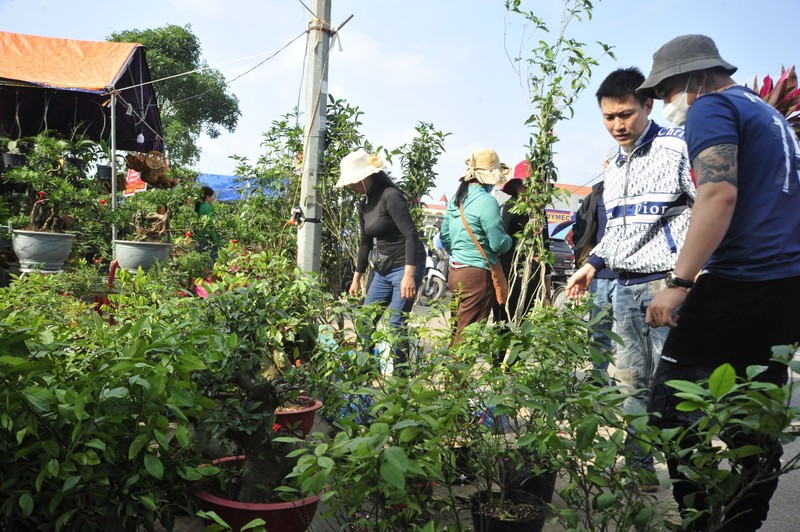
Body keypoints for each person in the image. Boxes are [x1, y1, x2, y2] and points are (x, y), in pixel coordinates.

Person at [639, 34, 800, 530]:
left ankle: (700, 521)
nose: (667, 102)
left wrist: (680, 281)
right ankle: (742, 521)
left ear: (694, 78)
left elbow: (717, 196)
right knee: (753, 414)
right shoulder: (770, 117)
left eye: (668, 90)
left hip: (741, 280)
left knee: (671, 409)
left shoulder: (714, 107)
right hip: (783, 285)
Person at [565, 67, 696, 475]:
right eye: (609, 117)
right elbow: (619, 229)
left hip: (665, 286)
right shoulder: (613, 162)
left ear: (648, 105)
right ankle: (639, 471)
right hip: (623, 288)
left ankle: (689, 484)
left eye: (626, 114)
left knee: (674, 390)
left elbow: (709, 209)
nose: (618, 125)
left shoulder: (678, 147)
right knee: (630, 385)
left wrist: (686, 280)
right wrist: (592, 264)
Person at [338, 148, 426, 370]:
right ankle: (368, 374)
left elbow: (411, 234)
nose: (350, 186)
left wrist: (409, 276)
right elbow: (365, 243)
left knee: (396, 324)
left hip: (405, 265)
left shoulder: (391, 196)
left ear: (365, 177)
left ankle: (400, 381)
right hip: (382, 268)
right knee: (365, 322)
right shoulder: (364, 203)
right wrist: (356, 278)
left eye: (352, 181)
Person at [440, 148, 512, 344]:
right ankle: (456, 375)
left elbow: (445, 237)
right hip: (477, 276)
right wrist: (510, 240)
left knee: (457, 329)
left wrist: (460, 253)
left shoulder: (457, 200)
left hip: (455, 273)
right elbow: (498, 242)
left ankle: (449, 372)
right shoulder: (487, 201)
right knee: (467, 338)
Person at [492, 160, 551, 326]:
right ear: (517, 184)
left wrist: (546, 280)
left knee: (526, 322)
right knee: (504, 322)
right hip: (510, 275)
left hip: (532, 276)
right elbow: (501, 244)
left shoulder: (539, 212)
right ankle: (501, 353)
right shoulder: (508, 208)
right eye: (526, 183)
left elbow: (545, 244)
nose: (530, 188)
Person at [571, 178, 616, 372]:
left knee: (634, 333)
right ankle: (599, 376)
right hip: (600, 272)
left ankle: (637, 386)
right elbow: (579, 228)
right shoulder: (593, 198)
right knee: (599, 330)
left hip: (631, 274)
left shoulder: (638, 190)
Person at [195, 186, 220, 260]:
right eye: (212, 196)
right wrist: (216, 239)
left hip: (200, 235)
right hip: (208, 237)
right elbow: (210, 224)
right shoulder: (207, 206)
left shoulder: (200, 205)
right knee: (213, 258)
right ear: (208, 197)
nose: (213, 198)